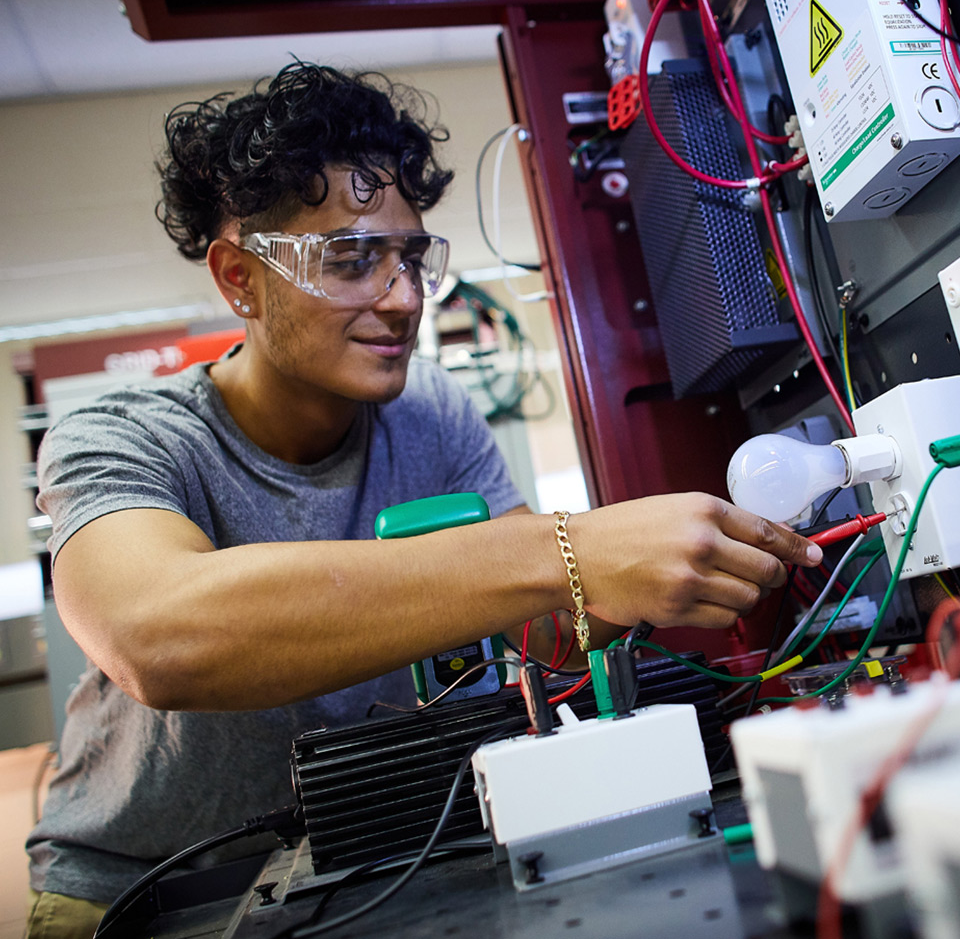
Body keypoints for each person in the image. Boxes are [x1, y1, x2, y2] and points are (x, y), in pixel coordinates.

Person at [23, 60, 821, 939]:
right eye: (353, 260)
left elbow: (544, 615)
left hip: (364, 849)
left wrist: (649, 574)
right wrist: (568, 554)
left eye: (410, 258)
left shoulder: (429, 409)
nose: (403, 301)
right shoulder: (126, 435)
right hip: (146, 888)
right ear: (239, 278)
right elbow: (157, 635)